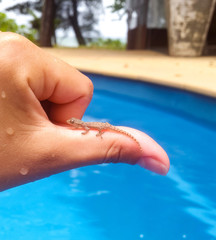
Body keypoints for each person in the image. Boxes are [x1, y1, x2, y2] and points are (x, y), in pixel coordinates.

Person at [0, 32, 169, 191]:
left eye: (72, 122)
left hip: (103, 127)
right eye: (72, 122)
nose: (71, 123)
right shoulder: (81, 125)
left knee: (113, 133)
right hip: (102, 126)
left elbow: (88, 129)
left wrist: (99, 134)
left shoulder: (84, 126)